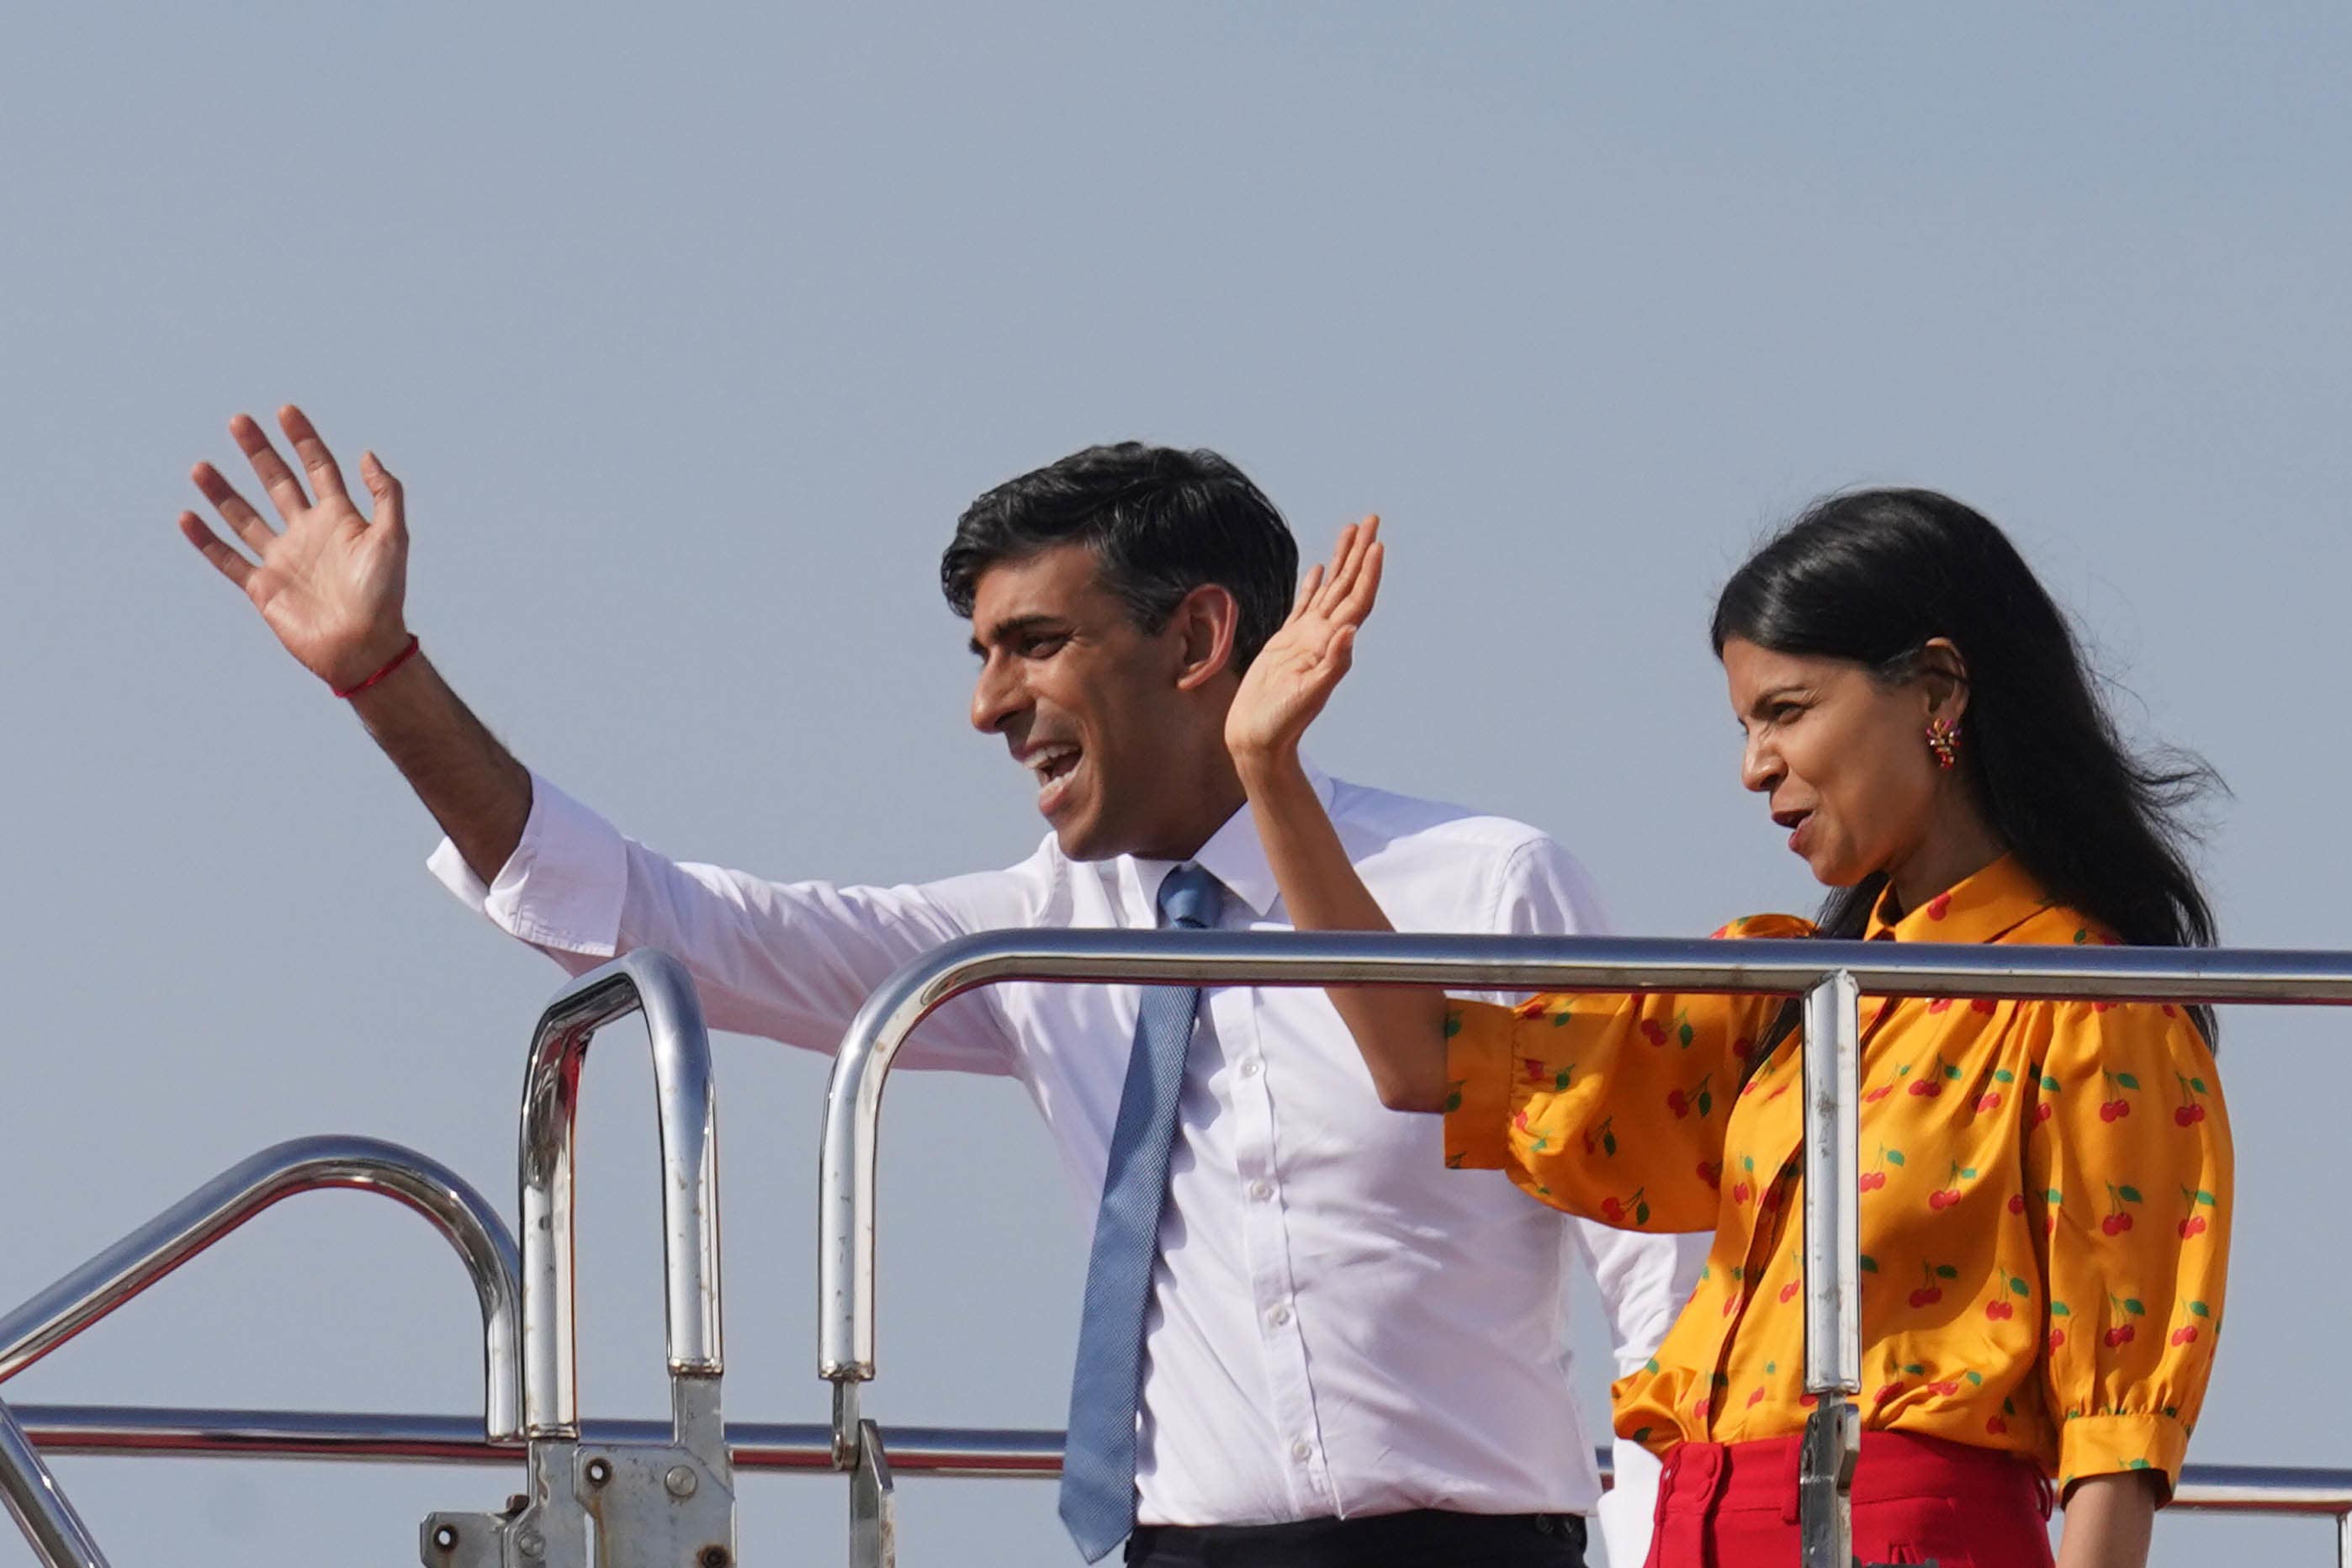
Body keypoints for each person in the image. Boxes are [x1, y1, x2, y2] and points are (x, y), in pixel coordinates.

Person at [175, 407, 1704, 1568]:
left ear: (1198, 635)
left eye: (1033, 644)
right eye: (979, 654)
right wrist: (385, 679)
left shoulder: (1483, 881)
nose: (987, 705)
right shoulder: (1028, 939)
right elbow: (648, 915)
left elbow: (1658, 1260)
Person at [1221, 494, 2231, 1568]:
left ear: (1937, 690)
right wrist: (1270, 771)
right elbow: (1423, 1058)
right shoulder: (1783, 992)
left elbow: (2116, 1434)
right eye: (1747, 726)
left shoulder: (2089, 999)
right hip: (1697, 1530)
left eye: (1787, 711)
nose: (1755, 766)